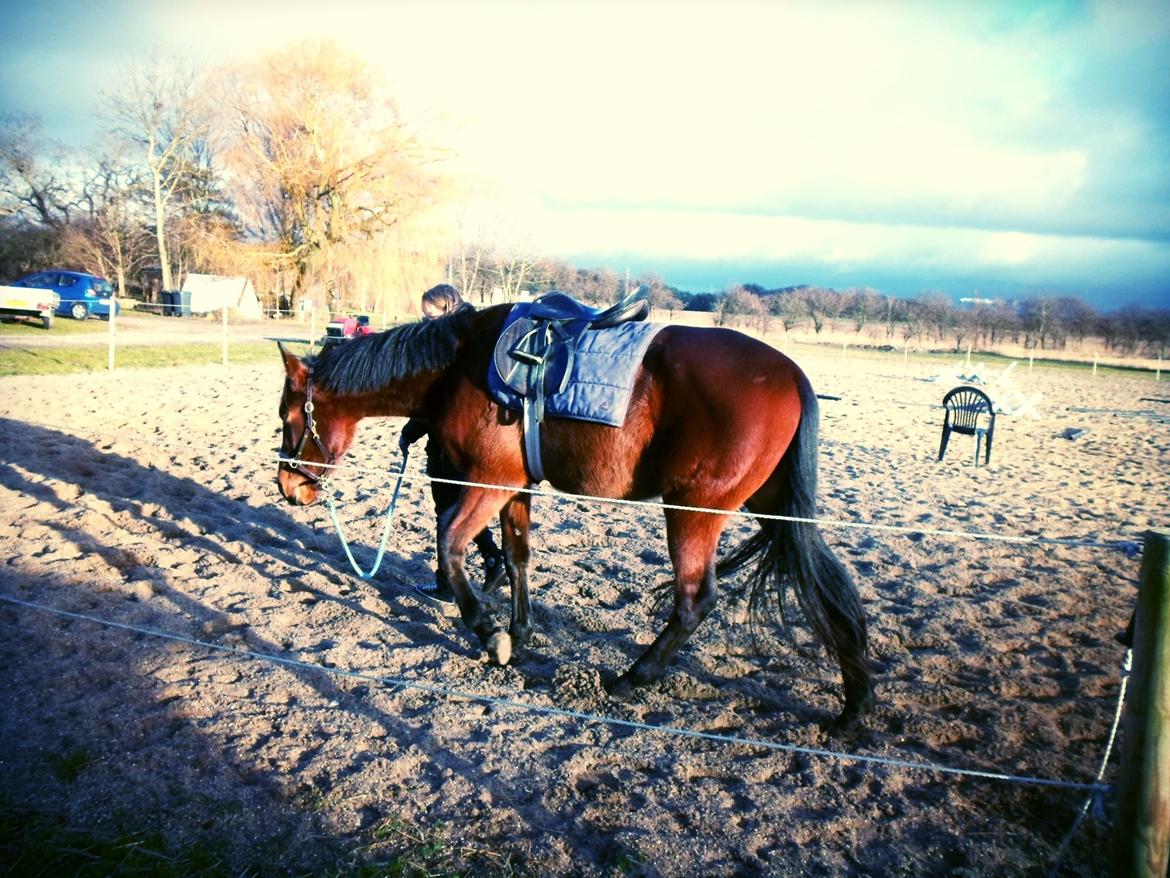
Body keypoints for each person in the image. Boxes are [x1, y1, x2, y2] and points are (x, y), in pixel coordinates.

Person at [400, 284, 506, 602]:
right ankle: (491, 557)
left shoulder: (450, 344)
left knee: (447, 508)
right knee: (459, 507)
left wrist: (410, 432)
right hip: (470, 437)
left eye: (430, 315)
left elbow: (434, 399)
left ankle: (451, 582)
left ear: (448, 308)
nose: (426, 322)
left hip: (449, 440)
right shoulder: (472, 334)